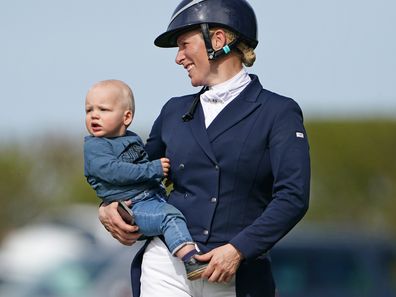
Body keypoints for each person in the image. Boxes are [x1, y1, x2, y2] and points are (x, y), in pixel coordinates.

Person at [98, 0, 310, 296]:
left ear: (218, 40)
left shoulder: (278, 112)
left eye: (184, 45)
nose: (178, 58)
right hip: (166, 264)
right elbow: (136, 177)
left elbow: (293, 197)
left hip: (235, 272)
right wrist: (108, 207)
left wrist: (238, 250)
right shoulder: (174, 111)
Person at [84, 79, 208, 280]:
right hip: (134, 208)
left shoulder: (129, 138)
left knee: (175, 212)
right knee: (169, 217)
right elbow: (116, 172)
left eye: (103, 110)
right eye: (89, 110)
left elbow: (149, 163)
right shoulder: (95, 147)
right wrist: (154, 169)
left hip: (151, 198)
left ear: (127, 117)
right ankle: (191, 260)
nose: (94, 115)